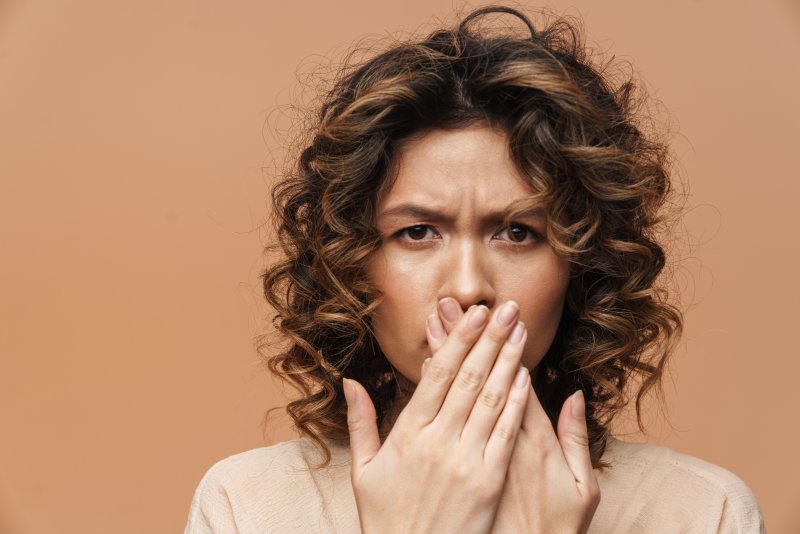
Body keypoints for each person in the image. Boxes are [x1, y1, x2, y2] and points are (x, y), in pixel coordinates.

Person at [184, 5, 765, 533]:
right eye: (416, 232)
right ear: (351, 266)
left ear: (580, 266)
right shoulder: (248, 506)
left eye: (518, 233)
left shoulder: (701, 512)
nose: (468, 288)